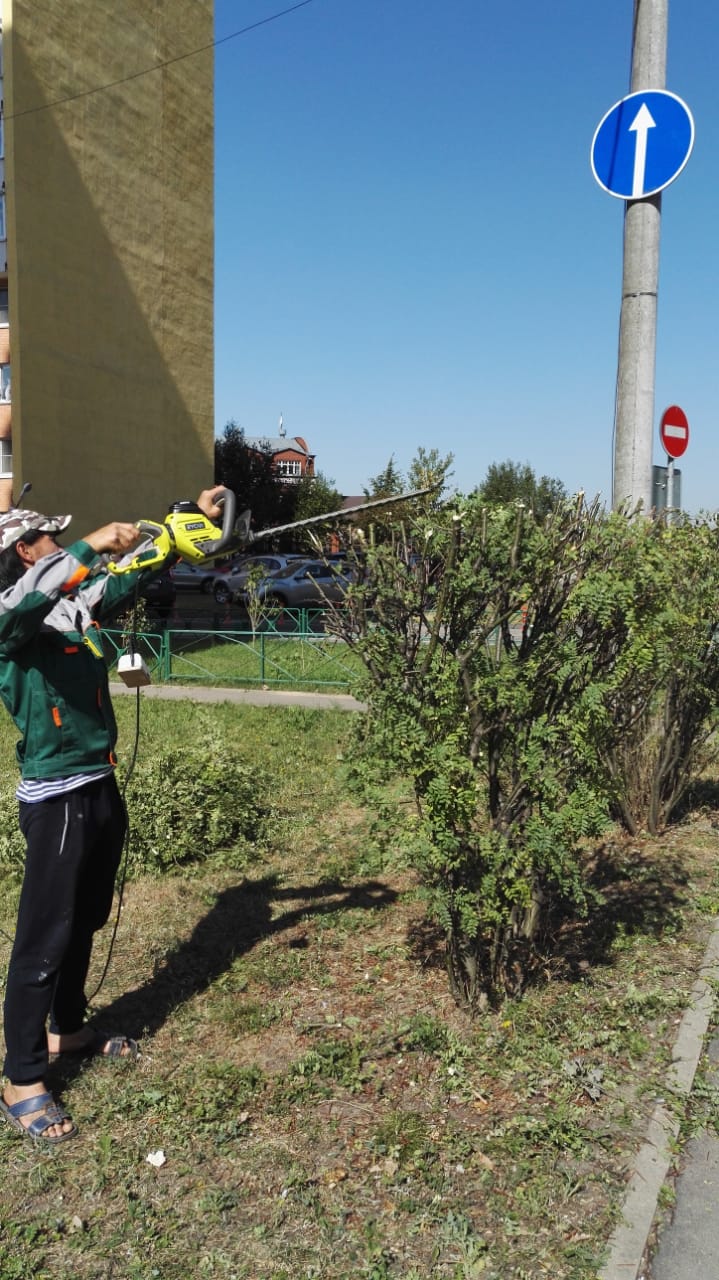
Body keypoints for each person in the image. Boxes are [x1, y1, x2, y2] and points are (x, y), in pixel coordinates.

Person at [0, 486, 225, 1143]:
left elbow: (117, 583)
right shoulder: (13, 619)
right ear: (25, 551)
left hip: (99, 783)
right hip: (58, 795)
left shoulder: (71, 610)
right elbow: (34, 596)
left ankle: (66, 1028)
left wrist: (180, 530)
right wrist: (89, 542)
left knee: (88, 916)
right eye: (50, 538)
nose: (63, 545)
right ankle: (22, 1079)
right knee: (44, 935)